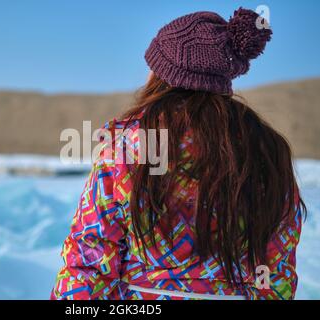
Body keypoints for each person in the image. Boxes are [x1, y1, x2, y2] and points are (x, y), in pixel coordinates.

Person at [51, 7, 306, 300]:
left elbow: (90, 257)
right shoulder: (268, 150)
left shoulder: (128, 143)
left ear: (163, 74)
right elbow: (276, 270)